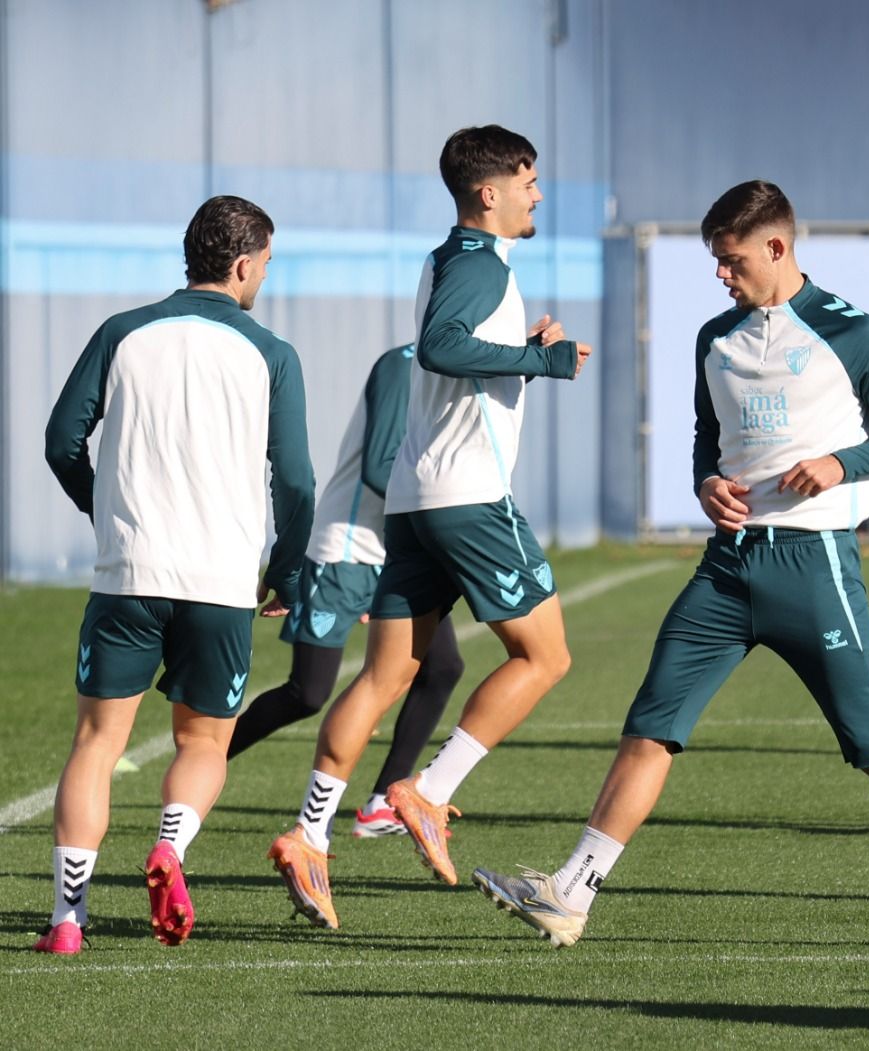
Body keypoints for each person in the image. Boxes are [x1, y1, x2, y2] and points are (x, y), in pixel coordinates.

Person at [470, 180, 869, 953]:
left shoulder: (856, 334)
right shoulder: (715, 336)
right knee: (650, 726)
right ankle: (571, 893)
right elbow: (707, 440)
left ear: (778, 246)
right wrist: (706, 483)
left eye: (732, 258)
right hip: (726, 569)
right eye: (716, 260)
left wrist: (843, 465)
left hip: (817, 570)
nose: (721, 273)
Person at [268, 125, 591, 929]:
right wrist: (544, 360)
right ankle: (426, 791)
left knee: (385, 677)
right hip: (469, 496)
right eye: (529, 181)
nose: (537, 194)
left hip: (416, 499)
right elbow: (444, 346)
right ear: (491, 192)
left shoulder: (446, 257)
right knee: (547, 655)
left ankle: (310, 834)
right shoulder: (480, 265)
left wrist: (520, 347)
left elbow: (452, 347)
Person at [37, 196, 314, 953]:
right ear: (244, 263)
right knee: (201, 742)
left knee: (96, 743)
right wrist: (286, 572)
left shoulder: (123, 332)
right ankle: (169, 850)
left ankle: (67, 919)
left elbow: (63, 437)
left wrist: (105, 511)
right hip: (222, 582)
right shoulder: (271, 354)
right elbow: (295, 482)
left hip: (128, 572)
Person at [228, 344, 466, 838]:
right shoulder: (405, 365)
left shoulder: (457, 374)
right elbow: (379, 466)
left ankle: (383, 801)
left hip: (397, 556)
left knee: (442, 667)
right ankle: (205, 754)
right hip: (345, 552)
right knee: (307, 692)